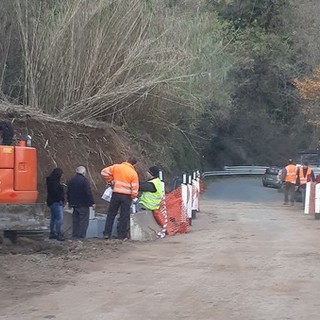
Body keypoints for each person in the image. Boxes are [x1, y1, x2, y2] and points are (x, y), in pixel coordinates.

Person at [101, 157, 139, 240]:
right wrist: (133, 197)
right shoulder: (133, 173)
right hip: (127, 196)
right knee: (124, 216)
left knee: (111, 214)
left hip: (116, 194)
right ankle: (121, 236)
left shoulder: (116, 167)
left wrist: (111, 181)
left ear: (126, 161)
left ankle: (107, 233)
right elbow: (135, 188)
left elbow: (104, 172)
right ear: (134, 165)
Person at [67, 166, 95, 239]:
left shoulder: (71, 181)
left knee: (75, 221)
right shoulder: (84, 181)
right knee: (83, 221)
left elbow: (68, 193)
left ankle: (75, 236)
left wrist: (69, 203)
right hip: (83, 204)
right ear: (84, 172)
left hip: (74, 204)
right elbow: (88, 193)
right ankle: (81, 236)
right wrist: (92, 202)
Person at [46, 168, 65, 241]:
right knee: (59, 218)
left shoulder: (50, 181)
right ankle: (58, 233)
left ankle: (52, 232)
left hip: (51, 201)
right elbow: (56, 192)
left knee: (53, 218)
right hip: (56, 201)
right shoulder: (55, 183)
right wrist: (61, 198)